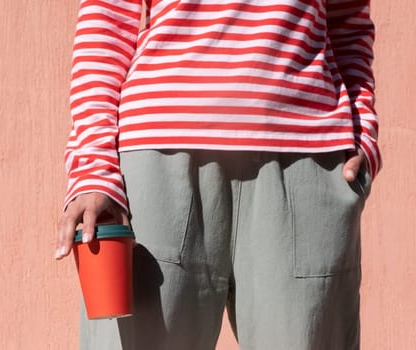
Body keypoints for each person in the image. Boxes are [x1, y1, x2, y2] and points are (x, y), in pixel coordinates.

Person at [54, 0, 379, 349]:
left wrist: (362, 131)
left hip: (306, 161)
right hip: (160, 161)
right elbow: (106, 18)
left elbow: (347, 21)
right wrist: (94, 168)